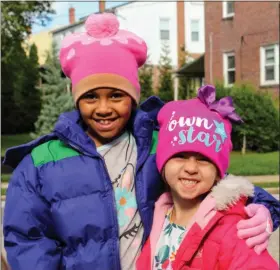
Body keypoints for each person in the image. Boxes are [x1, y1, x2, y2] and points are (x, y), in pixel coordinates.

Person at [3, 13, 279, 270]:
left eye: (116, 96)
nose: (103, 108)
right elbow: (27, 238)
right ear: (76, 99)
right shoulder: (41, 162)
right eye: (90, 97)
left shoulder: (160, 145)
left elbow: (218, 179)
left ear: (133, 97)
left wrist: (263, 210)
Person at [136, 85, 278, 270]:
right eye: (180, 156)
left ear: (219, 173)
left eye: (203, 160)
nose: (191, 168)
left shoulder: (233, 228)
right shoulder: (159, 215)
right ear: (162, 164)